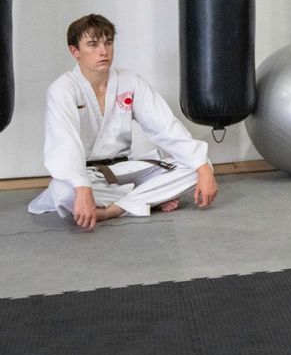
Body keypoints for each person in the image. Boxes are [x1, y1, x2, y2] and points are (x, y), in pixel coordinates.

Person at [27, 14, 218, 230]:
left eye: (108, 43)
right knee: (62, 190)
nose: (103, 51)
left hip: (126, 168)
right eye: (93, 44)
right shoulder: (62, 90)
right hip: (89, 175)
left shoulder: (130, 82)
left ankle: (112, 210)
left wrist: (202, 168)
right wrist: (82, 187)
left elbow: (164, 126)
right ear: (75, 51)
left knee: (199, 166)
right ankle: (146, 199)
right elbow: (64, 144)